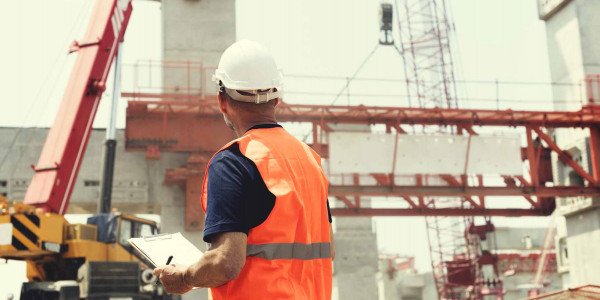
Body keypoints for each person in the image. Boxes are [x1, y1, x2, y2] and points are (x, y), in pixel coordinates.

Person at [153, 40, 334, 299]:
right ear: (276, 98)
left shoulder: (234, 162)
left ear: (222, 101)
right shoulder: (311, 161)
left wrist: (184, 277)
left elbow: (226, 262)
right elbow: (328, 249)